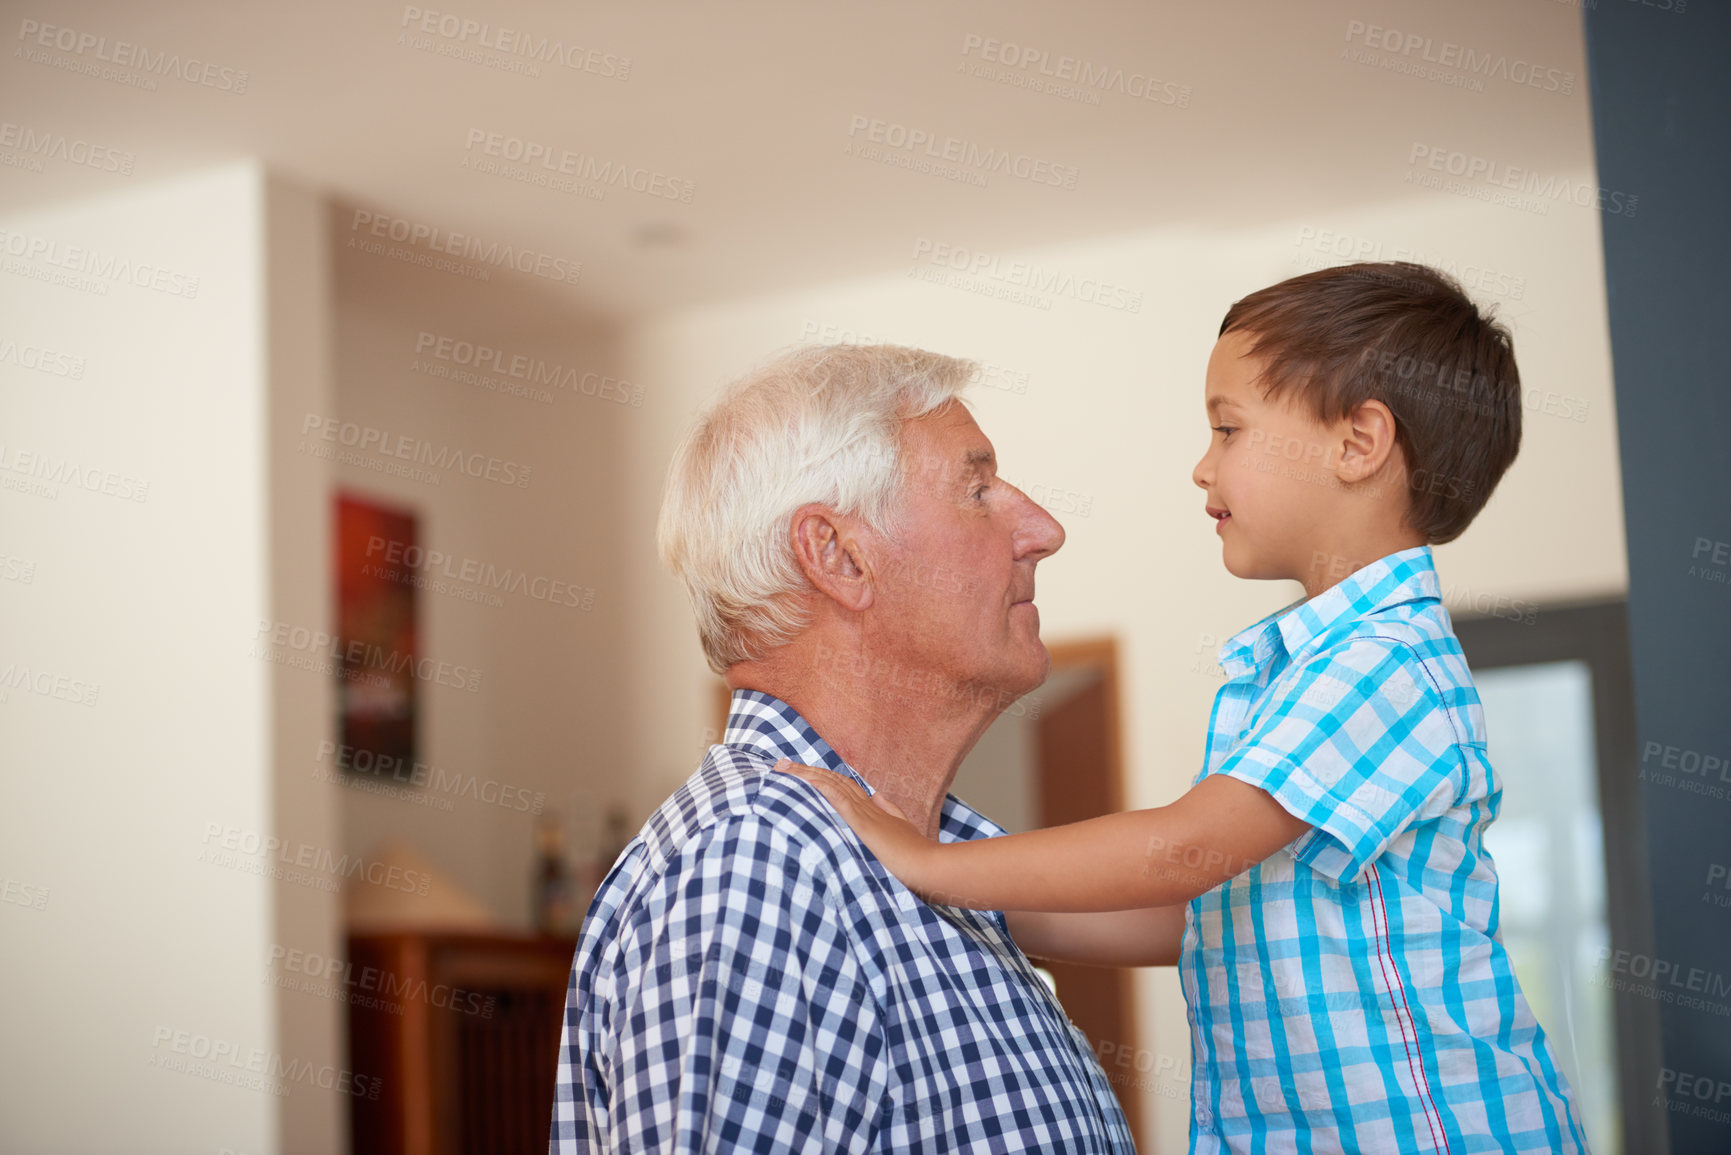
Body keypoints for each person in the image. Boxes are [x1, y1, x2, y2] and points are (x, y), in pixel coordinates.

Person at [778, 263, 1591, 1153]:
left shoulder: (1386, 662)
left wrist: (924, 861)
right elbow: (1201, 907)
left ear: (1358, 442)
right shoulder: (1302, 669)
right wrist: (962, 892)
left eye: (1228, 428)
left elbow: (1182, 849)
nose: (1202, 465)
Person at [550, 344, 1136, 1153]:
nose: (1043, 529)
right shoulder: (750, 864)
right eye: (977, 489)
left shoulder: (939, 861)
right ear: (837, 555)